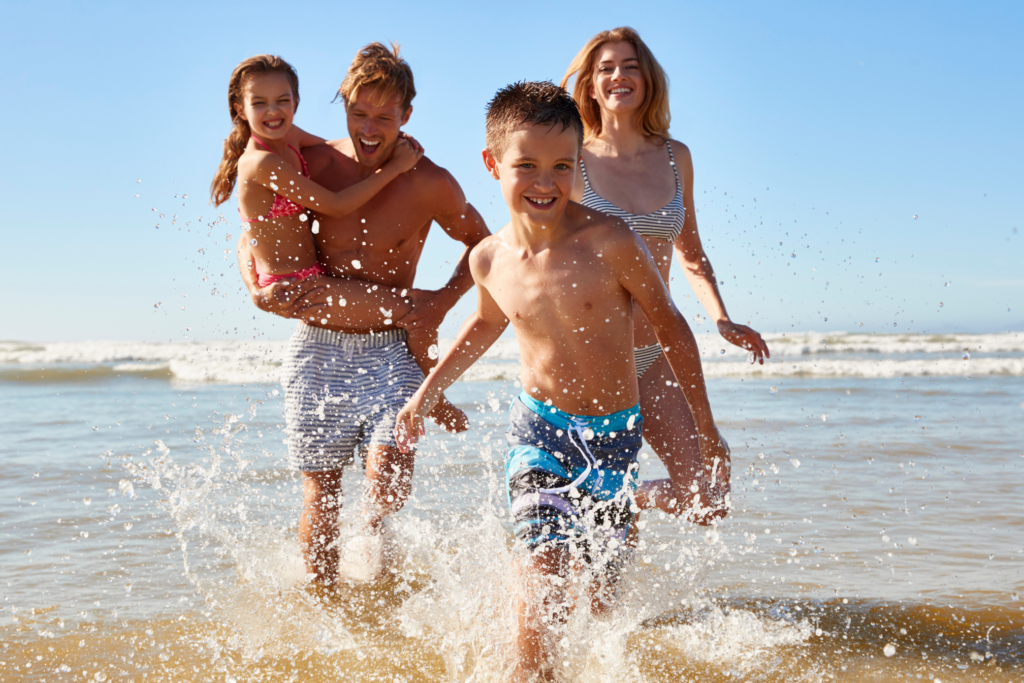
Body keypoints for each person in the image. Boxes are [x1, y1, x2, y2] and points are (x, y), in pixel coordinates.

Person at [394, 81, 729, 682]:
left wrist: (708, 434)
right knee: (543, 598)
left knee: (601, 613)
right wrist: (427, 393)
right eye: (526, 165)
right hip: (539, 438)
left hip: (616, 440)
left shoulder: (612, 241)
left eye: (562, 166)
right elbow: (486, 322)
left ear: (580, 164)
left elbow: (674, 333)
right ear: (492, 163)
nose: (545, 182)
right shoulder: (488, 258)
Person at [235, 44, 490, 585]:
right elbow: (252, 223)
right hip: (317, 349)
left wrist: (439, 303)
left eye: (384, 116)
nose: (370, 128)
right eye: (358, 113)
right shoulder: (314, 162)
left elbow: (484, 246)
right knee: (321, 491)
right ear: (342, 106)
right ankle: (327, 603)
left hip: (390, 347)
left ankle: (378, 571)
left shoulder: (429, 181)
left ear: (407, 116)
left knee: (386, 483)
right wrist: (255, 285)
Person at [561, 27, 770, 521]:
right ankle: (603, 507)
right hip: (589, 356)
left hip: (655, 354)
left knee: (707, 499)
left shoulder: (676, 158)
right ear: (590, 85)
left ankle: (625, 501)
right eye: (606, 68)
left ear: (648, 79)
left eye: (630, 66)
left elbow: (691, 254)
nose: (619, 76)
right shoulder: (572, 162)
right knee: (589, 538)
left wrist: (722, 319)